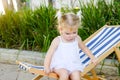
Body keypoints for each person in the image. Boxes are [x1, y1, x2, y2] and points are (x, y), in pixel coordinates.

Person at [44, 11, 97, 80]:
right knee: (64, 75)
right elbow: (49, 54)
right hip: (60, 65)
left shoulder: (77, 39)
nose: (71, 36)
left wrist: (92, 57)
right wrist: (47, 67)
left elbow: (84, 48)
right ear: (61, 30)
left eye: (74, 32)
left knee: (76, 77)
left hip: (74, 65)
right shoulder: (57, 40)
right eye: (67, 33)